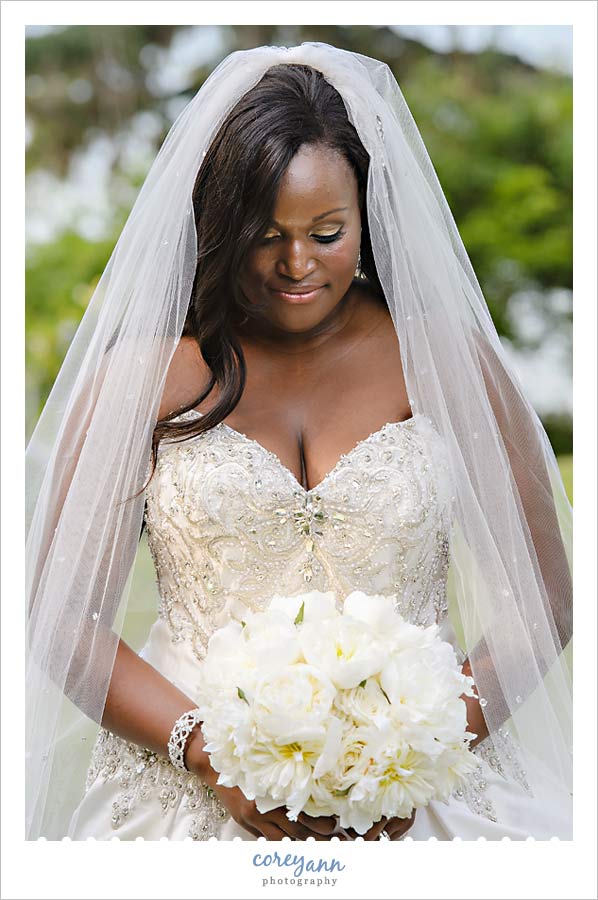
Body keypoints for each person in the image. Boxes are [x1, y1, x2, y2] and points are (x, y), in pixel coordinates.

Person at [26, 43, 573, 842]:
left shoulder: (447, 365)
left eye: (327, 232)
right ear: (220, 224)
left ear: (368, 216)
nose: (296, 264)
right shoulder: (145, 380)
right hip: (188, 801)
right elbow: (58, 614)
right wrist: (210, 752)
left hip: (422, 802)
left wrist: (414, 752)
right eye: (265, 233)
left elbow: (543, 601)